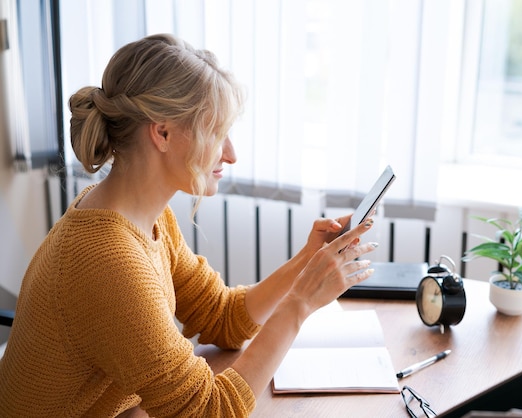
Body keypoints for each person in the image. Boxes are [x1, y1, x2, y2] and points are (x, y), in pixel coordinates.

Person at [0, 34, 378, 417]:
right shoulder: (106, 260)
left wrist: (306, 262)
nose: (231, 154)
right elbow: (209, 412)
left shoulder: (144, 217)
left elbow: (221, 316)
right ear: (162, 133)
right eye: (216, 133)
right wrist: (300, 304)